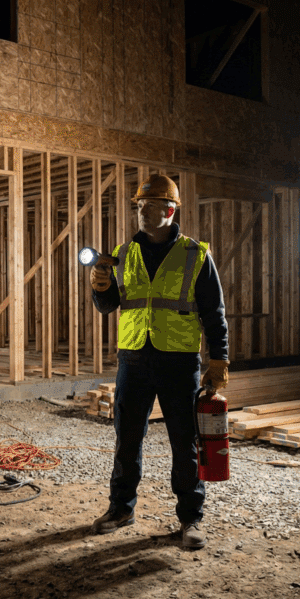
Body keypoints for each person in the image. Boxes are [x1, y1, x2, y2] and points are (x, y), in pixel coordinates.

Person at [88, 173, 229, 549]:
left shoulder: (195, 255)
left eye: (149, 206)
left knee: (185, 444)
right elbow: (108, 307)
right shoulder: (123, 253)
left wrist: (218, 362)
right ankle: (121, 508)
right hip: (133, 359)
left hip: (179, 363)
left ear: (169, 210)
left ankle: (190, 519)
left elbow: (214, 314)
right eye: (138, 207)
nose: (141, 213)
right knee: (127, 441)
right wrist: (99, 285)